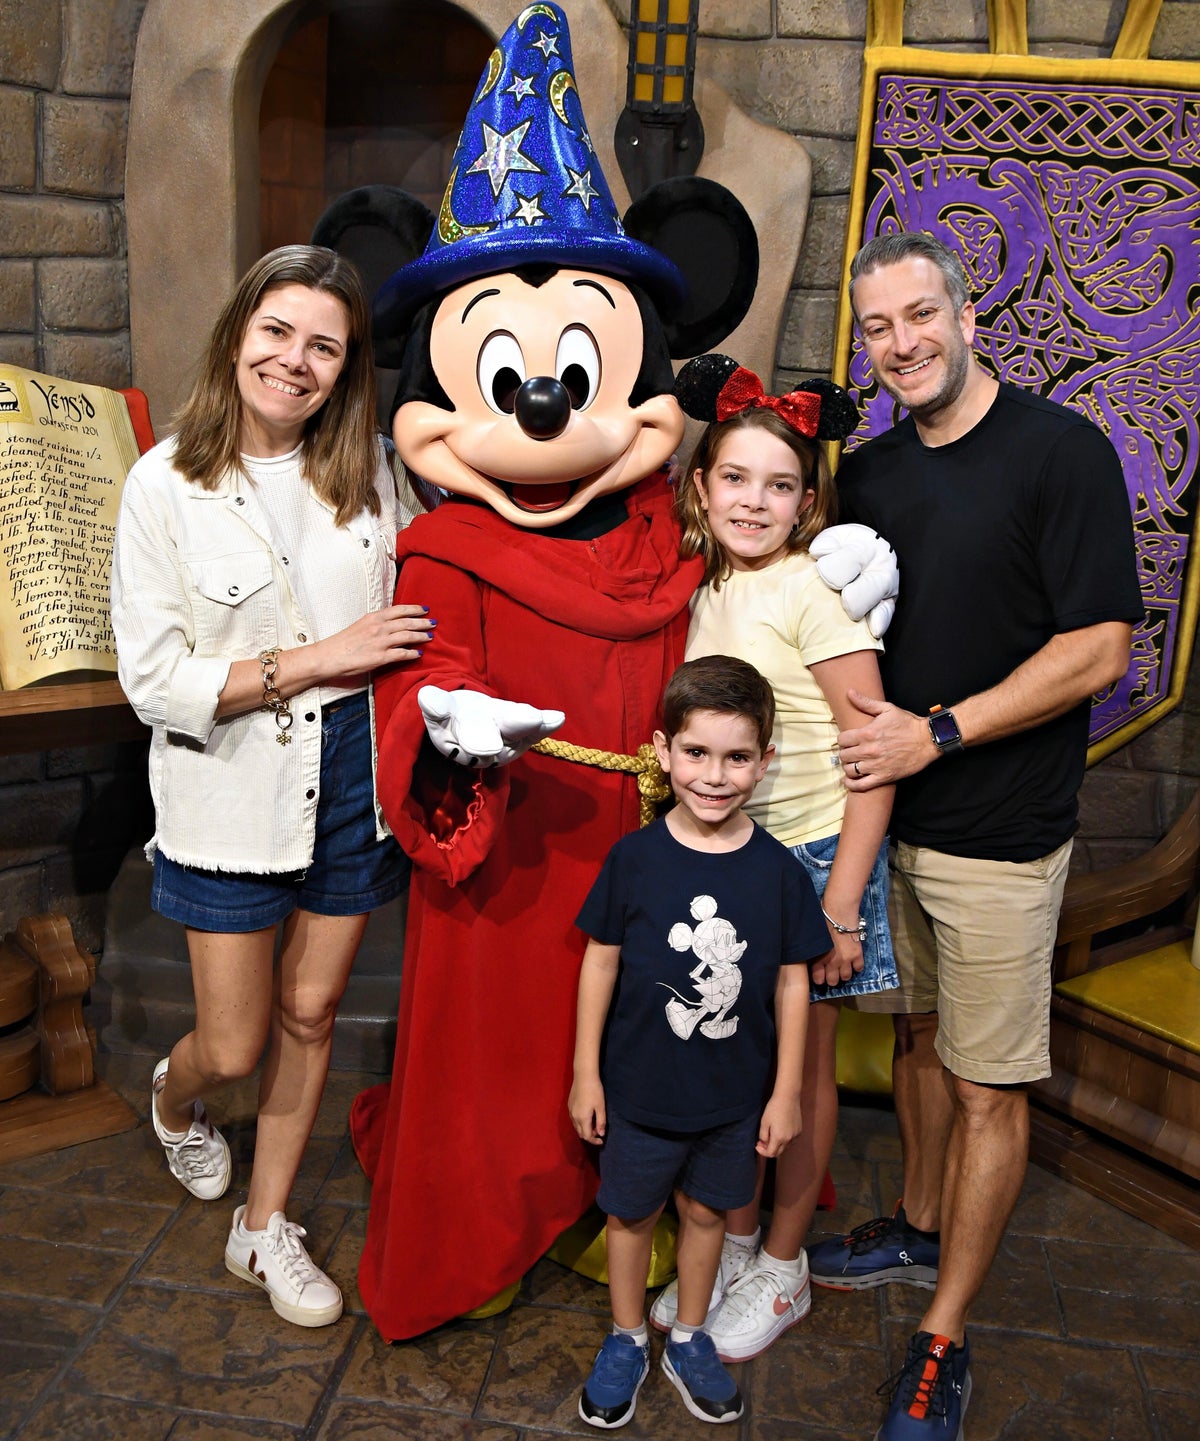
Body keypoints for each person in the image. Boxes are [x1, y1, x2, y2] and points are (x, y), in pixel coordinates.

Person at [807, 231, 1142, 1438]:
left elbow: (1099, 650)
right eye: (880, 328)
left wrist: (937, 734)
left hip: (1000, 838)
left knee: (991, 1085)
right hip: (886, 827)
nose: (902, 344)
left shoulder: (1063, 454)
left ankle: (945, 1334)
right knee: (915, 1049)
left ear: (965, 310)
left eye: (920, 317)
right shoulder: (877, 477)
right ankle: (919, 1220)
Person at [110, 244, 432, 1328]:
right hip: (229, 786)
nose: (296, 362)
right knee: (236, 1042)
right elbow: (155, 682)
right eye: (279, 333)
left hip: (354, 777)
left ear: (348, 370)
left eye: (324, 348)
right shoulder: (165, 483)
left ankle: (264, 1223)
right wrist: (318, 658)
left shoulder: (377, 471)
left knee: (312, 1010)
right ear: (238, 332)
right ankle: (174, 1095)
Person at [646, 362, 897, 1363]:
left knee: (805, 1068)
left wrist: (840, 904)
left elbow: (872, 758)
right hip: (735, 857)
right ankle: (739, 1241)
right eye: (737, 479)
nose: (756, 501)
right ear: (703, 485)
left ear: (809, 500)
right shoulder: (706, 582)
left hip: (813, 859)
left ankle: (785, 1264)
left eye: (781, 484)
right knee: (739, 1066)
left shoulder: (811, 590)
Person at [568, 655, 832, 1428]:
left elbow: (793, 983)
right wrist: (586, 1074)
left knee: (711, 1216)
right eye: (697, 753)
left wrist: (784, 1093)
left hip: (733, 1098)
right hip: (640, 1090)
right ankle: (624, 1339)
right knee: (631, 1217)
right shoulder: (634, 858)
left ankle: (689, 1335)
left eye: (737, 756)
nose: (715, 775)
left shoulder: (779, 872)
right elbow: (599, 963)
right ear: (662, 750)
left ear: (766, 759)